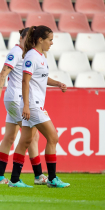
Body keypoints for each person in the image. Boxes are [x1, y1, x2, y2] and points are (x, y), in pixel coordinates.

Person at [9, 25, 70, 188]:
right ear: (40, 40)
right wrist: (26, 106)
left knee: (25, 141)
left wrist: (57, 83)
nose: (51, 43)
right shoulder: (31, 56)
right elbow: (25, 80)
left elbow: (41, 78)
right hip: (33, 105)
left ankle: (14, 180)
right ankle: (52, 178)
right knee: (53, 137)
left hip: (33, 104)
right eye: (50, 40)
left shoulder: (40, 56)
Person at [0, 28, 48, 185]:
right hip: (16, 98)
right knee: (32, 136)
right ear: (22, 38)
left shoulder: (27, 54)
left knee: (9, 137)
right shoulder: (16, 52)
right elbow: (3, 73)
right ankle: (38, 176)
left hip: (15, 98)